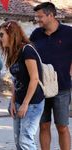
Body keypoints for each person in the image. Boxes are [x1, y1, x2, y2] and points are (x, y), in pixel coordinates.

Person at [30, 2, 72, 150]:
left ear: (51, 15)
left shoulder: (69, 32)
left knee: (62, 127)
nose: (37, 19)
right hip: (41, 89)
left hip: (62, 88)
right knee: (43, 125)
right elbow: (30, 57)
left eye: (40, 16)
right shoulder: (36, 34)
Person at [0, 20, 45, 150]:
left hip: (33, 102)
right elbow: (16, 80)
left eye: (2, 34)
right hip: (19, 100)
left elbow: (35, 78)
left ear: (11, 34)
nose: (0, 38)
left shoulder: (27, 50)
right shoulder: (13, 54)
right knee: (19, 143)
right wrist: (12, 102)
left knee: (25, 141)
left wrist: (25, 104)